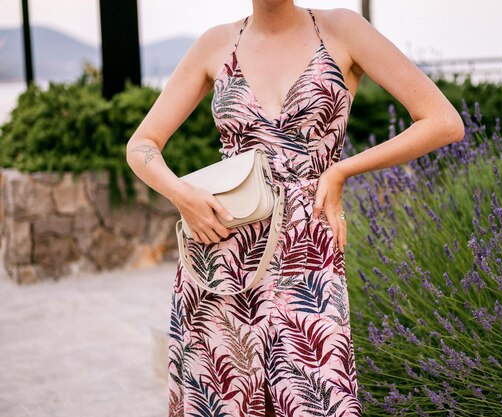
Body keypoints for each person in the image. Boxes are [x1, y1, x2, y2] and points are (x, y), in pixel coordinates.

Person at [126, 2, 465, 416]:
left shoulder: (340, 29)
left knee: (319, 400)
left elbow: (442, 120)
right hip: (223, 257)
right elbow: (141, 145)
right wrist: (182, 195)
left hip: (308, 254)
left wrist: (342, 170)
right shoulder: (216, 44)